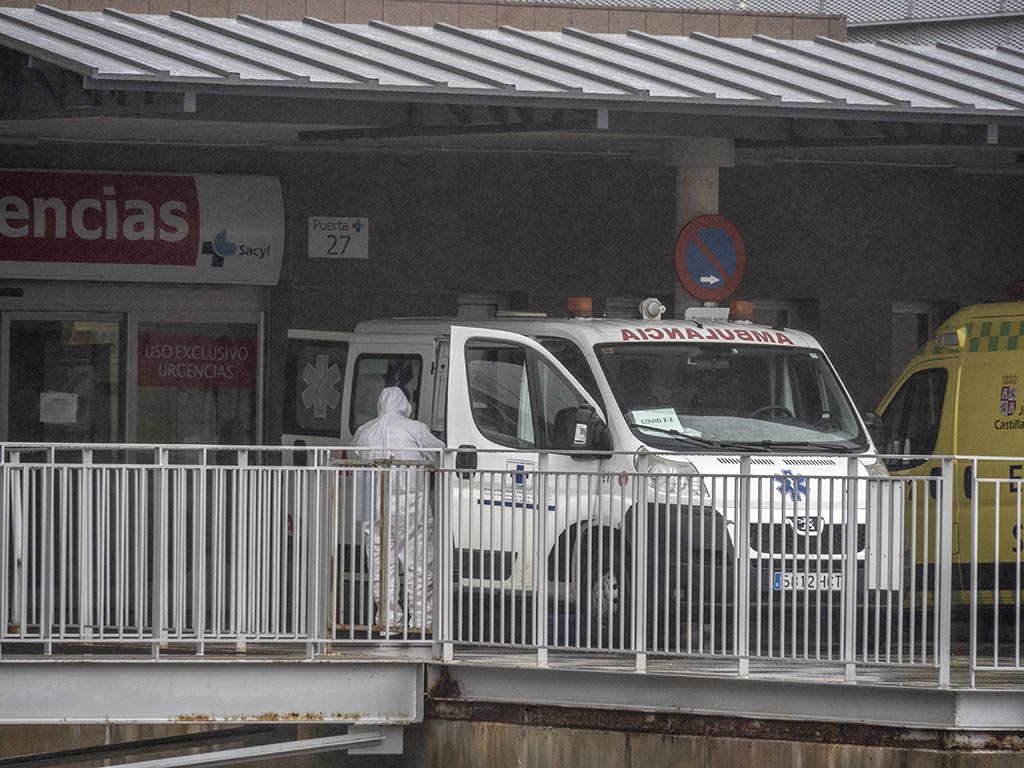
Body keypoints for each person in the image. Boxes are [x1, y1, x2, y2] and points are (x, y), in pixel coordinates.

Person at [353, 387, 445, 635]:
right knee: (418, 568)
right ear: (404, 404)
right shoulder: (415, 429)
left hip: (373, 509)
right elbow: (441, 452)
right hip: (411, 509)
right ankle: (422, 622)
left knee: (381, 569)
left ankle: (388, 621)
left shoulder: (364, 432)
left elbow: (357, 465)